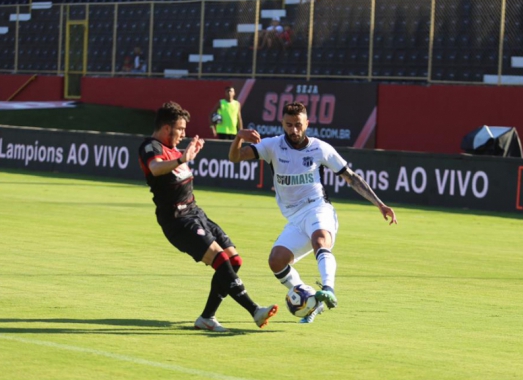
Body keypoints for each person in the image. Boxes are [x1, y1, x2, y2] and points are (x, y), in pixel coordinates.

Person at [228, 102, 397, 324]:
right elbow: (234, 158)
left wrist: (379, 204)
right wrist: (239, 137)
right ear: (282, 124)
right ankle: (308, 297)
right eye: (289, 125)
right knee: (276, 261)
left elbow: (351, 177)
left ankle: (328, 289)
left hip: (318, 208)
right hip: (295, 218)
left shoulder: (320, 148)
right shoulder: (271, 146)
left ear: (307, 123)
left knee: (320, 239)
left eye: (298, 125)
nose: (294, 130)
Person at [139, 101, 278, 332]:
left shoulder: (175, 150)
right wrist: (183, 158)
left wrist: (184, 156)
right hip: (177, 220)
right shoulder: (150, 146)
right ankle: (255, 311)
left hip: (196, 213)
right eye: (180, 129)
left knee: (234, 261)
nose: (183, 134)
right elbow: (155, 168)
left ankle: (207, 317)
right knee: (220, 260)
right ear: (166, 128)